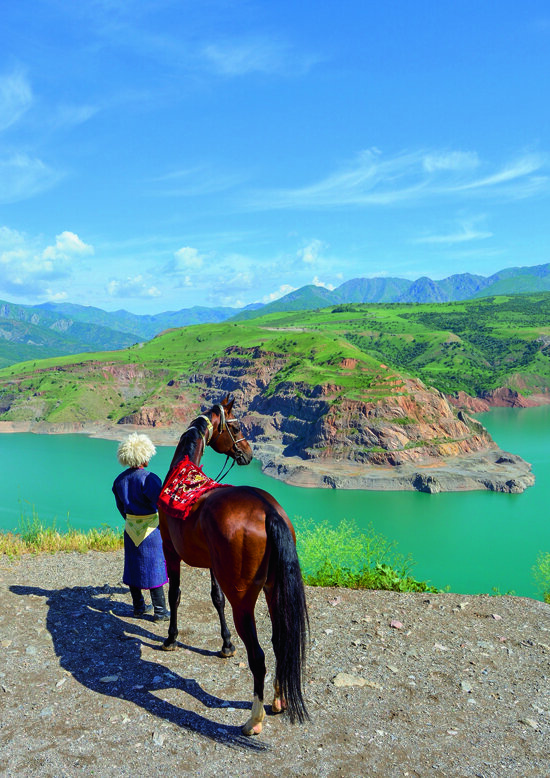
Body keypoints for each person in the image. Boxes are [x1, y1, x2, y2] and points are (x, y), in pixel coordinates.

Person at [112, 433, 169, 621]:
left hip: (130, 529)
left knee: (133, 566)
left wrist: (132, 520)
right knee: (155, 567)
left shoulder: (119, 480)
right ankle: (160, 611)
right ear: (144, 455)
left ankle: (138, 608)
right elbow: (161, 504)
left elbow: (121, 508)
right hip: (151, 531)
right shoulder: (150, 478)